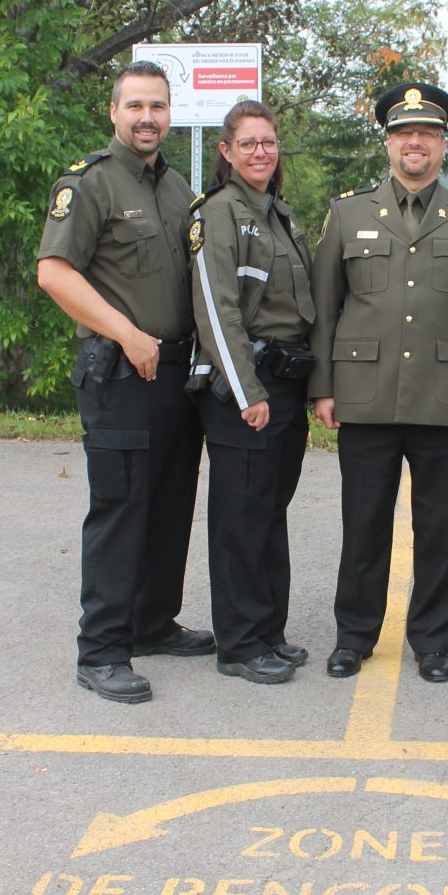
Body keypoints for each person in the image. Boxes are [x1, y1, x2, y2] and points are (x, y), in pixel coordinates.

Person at [309, 81, 448, 683]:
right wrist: (322, 386)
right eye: (404, 132)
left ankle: (432, 640)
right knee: (363, 523)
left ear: (442, 143)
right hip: (365, 393)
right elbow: (325, 304)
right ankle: (354, 636)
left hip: (447, 397)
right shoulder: (348, 212)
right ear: (389, 142)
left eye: (426, 132)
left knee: (443, 529)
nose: (414, 142)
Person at [36, 61, 214, 704]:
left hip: (172, 373)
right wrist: (126, 334)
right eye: (135, 106)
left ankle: (152, 623)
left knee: (168, 506)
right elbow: (55, 273)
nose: (147, 118)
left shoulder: (175, 190)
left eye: (158, 107)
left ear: (171, 114)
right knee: (120, 511)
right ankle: (102, 650)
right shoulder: (90, 185)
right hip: (120, 372)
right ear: (114, 112)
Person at [188, 101, 315, 684]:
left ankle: (269, 632)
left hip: (283, 386)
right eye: (248, 144)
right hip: (247, 390)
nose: (260, 152)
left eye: (268, 142)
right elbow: (218, 310)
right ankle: (239, 645)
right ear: (226, 151)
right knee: (241, 518)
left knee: (268, 514)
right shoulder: (220, 212)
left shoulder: (277, 214)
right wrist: (247, 392)